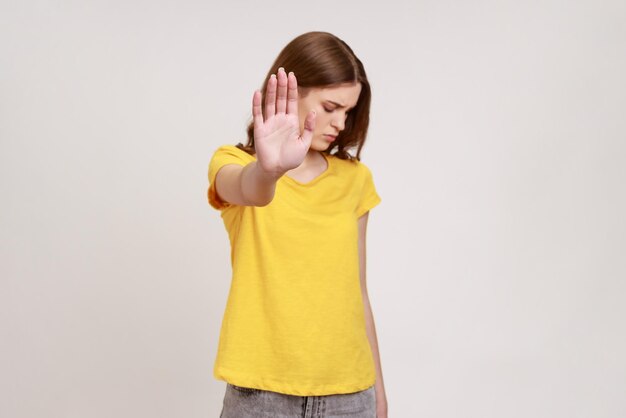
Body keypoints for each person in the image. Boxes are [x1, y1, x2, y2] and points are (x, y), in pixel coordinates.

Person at [207, 31, 388, 417]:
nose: (340, 122)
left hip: (351, 394)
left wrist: (379, 392)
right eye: (330, 106)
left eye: (348, 112)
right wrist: (268, 170)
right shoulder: (235, 164)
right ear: (291, 90)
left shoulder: (355, 180)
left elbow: (358, 291)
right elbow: (250, 189)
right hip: (262, 395)